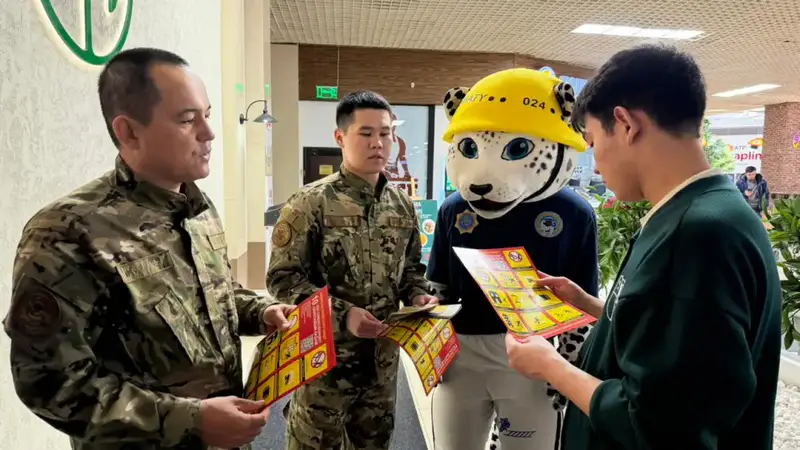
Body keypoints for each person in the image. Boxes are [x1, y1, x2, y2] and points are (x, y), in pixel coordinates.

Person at [3, 47, 295, 450]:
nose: (209, 133)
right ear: (129, 131)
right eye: (188, 120)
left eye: (207, 115)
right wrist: (192, 422)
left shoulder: (198, 208)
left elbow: (214, 299)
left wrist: (260, 311)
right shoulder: (68, 231)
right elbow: (50, 383)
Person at [505, 43, 782, 450]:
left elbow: (657, 425)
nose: (596, 165)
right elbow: (687, 342)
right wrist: (594, 306)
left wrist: (550, 367)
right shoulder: (715, 208)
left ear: (625, 124)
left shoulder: (695, 235)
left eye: (594, 141)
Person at [425, 68, 598, 450]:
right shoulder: (454, 209)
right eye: (469, 148)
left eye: (517, 148)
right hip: (461, 353)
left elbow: (582, 300)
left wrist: (568, 366)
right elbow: (437, 285)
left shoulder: (575, 213)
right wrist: (431, 350)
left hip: (534, 355)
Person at [266, 90, 436, 449]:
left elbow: (410, 269)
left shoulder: (402, 205)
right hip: (324, 368)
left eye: (386, 133)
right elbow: (282, 279)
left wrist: (417, 292)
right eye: (366, 133)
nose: (378, 143)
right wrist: (343, 315)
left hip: (381, 367)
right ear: (340, 138)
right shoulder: (309, 203)